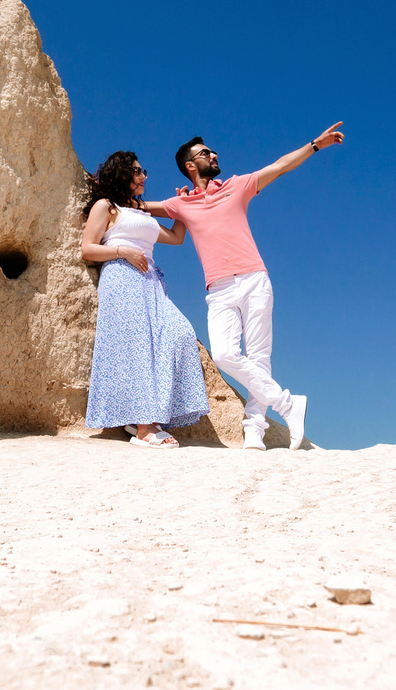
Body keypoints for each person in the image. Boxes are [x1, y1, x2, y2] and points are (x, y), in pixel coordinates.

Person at [143, 123, 343, 451]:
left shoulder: (236, 186)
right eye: (205, 152)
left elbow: (279, 166)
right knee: (224, 354)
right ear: (190, 166)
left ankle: (254, 430)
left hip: (254, 279)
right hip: (219, 289)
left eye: (212, 150)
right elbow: (138, 207)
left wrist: (315, 145)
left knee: (259, 357)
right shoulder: (181, 205)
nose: (213, 154)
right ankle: (289, 404)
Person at [78, 151, 209, 447]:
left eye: (143, 170)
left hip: (150, 283)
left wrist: (184, 209)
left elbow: (176, 237)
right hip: (121, 278)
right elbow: (87, 248)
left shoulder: (141, 213)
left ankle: (142, 417)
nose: (144, 176)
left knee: (180, 333)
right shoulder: (106, 207)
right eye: (138, 171)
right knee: (138, 348)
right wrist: (122, 251)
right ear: (122, 174)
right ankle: (144, 428)